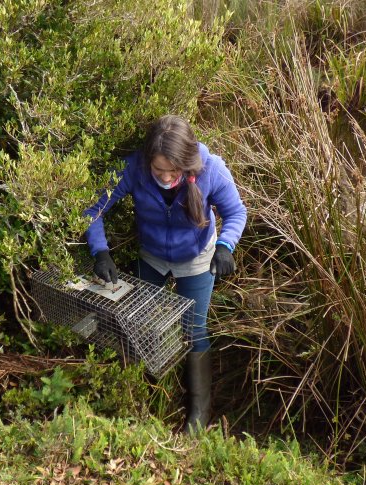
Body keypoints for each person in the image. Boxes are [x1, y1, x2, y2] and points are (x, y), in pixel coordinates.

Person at [83, 115, 247, 434]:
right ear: (148, 161)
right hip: (152, 255)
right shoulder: (134, 168)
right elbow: (94, 209)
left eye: (175, 171)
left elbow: (236, 211)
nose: (167, 177)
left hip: (197, 257)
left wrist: (226, 246)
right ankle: (135, 396)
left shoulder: (211, 168)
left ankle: (199, 410)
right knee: (137, 320)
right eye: (160, 170)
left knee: (193, 330)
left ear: (187, 161)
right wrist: (100, 252)